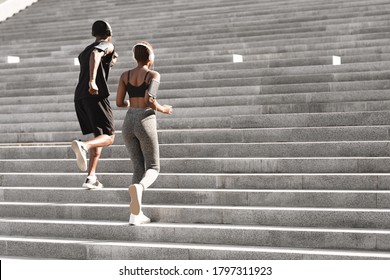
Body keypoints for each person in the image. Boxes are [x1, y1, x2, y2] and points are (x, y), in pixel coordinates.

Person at [116, 41, 173, 225]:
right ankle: (140, 188)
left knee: (137, 167)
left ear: (135, 57)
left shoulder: (125, 75)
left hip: (128, 123)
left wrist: (132, 103)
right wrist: (163, 109)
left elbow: (118, 102)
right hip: (145, 121)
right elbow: (150, 100)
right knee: (154, 167)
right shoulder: (153, 75)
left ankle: (135, 215)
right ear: (150, 57)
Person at [71, 20, 118, 189]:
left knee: (98, 136)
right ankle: (83, 146)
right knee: (109, 137)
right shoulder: (106, 45)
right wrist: (93, 81)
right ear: (109, 34)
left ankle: (91, 177)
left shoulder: (85, 50)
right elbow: (96, 54)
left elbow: (92, 56)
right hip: (94, 95)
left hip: (80, 97)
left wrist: (109, 63)